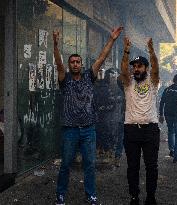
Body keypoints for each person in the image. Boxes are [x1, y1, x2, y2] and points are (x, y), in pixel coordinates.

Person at [53, 27, 123, 205]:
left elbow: (102, 57)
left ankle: (90, 194)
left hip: (88, 130)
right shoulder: (65, 79)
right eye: (72, 62)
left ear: (82, 64)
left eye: (78, 62)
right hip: (70, 130)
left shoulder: (88, 77)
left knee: (90, 165)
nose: (75, 64)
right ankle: (60, 194)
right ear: (70, 65)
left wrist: (112, 40)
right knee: (66, 165)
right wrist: (55, 45)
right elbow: (58, 64)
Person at [120, 37, 160, 205]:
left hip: (150, 129)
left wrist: (151, 51)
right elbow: (123, 71)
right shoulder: (128, 83)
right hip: (131, 129)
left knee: (151, 167)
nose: (136, 69)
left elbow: (156, 69)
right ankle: (134, 196)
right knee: (133, 167)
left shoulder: (153, 82)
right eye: (134, 66)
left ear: (146, 68)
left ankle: (150, 197)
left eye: (139, 66)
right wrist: (126, 51)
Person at [159, 74, 177, 163]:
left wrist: (161, 114)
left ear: (173, 80)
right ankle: (176, 157)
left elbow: (162, 102)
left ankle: (172, 150)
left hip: (168, 115)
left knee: (171, 131)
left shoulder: (167, 90)